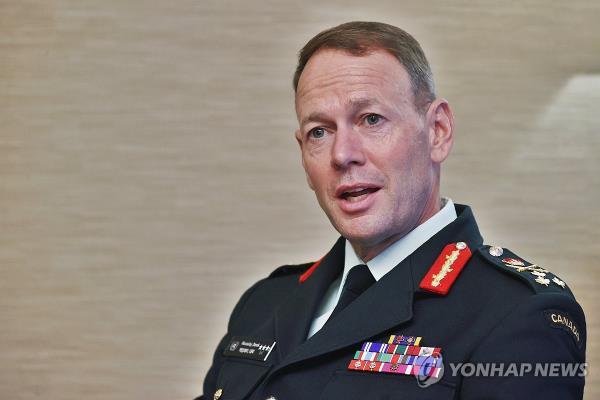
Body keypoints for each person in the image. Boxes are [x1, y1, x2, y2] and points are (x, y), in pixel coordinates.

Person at [196, 21, 586, 400]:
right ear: (302, 154)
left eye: (371, 120)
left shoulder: (517, 313)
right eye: (320, 131)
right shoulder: (265, 302)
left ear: (437, 132)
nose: (343, 154)